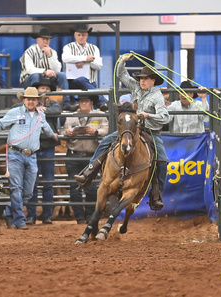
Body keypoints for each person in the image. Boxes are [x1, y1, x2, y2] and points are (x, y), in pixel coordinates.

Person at [75, 54, 169, 210]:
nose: (142, 81)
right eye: (141, 79)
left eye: (146, 78)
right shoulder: (136, 87)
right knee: (106, 141)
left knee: (163, 160)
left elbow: (164, 117)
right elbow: (121, 74)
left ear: (153, 81)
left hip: (151, 131)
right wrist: (122, 61)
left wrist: (147, 115)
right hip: (131, 128)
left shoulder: (157, 96)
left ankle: (157, 193)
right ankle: (89, 170)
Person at [0, 87, 58, 229]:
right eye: (28, 99)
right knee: (16, 187)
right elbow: (0, 123)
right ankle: (19, 220)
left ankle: (8, 212)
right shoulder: (15, 113)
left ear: (37, 101)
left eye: (33, 99)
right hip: (15, 154)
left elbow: (46, 128)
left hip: (32, 155)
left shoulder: (41, 116)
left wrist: (54, 135)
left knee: (28, 191)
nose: (31, 102)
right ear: (24, 100)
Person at [11, 78, 60, 225]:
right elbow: (21, 105)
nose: (43, 91)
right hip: (33, 148)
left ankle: (46, 215)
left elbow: (56, 110)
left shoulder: (53, 104)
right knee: (31, 182)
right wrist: (34, 108)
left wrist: (38, 110)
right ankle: (32, 215)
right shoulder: (29, 105)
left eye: (46, 89)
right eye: (41, 89)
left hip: (46, 147)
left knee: (48, 182)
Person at [61, 94, 108, 224]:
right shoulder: (71, 116)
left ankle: (88, 215)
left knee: (91, 187)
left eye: (86, 101)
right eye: (81, 101)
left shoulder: (99, 115)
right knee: (74, 186)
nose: (83, 104)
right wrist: (68, 133)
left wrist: (96, 132)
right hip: (74, 153)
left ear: (91, 102)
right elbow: (64, 130)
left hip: (91, 155)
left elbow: (106, 129)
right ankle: (80, 216)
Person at [19, 28, 70, 109]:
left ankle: (66, 103)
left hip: (47, 80)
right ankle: (35, 101)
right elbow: (30, 69)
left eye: (47, 39)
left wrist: (49, 56)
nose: (45, 41)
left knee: (62, 75)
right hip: (29, 79)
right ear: (37, 40)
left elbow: (57, 69)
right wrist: (44, 71)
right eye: (43, 39)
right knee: (35, 75)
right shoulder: (29, 51)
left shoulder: (52, 52)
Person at [61, 24, 107, 110]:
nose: (81, 37)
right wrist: (85, 58)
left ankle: (99, 103)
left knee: (82, 80)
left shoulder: (94, 48)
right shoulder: (68, 47)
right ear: (75, 35)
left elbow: (98, 65)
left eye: (83, 35)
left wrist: (86, 62)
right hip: (72, 81)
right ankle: (102, 101)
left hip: (90, 81)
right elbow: (65, 58)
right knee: (81, 79)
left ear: (87, 36)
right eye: (79, 35)